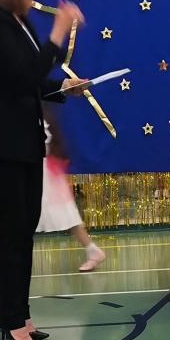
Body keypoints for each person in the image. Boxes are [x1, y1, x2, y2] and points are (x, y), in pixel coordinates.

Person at [0, 0, 89, 340]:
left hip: (23, 141)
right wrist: (58, 33)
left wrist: (63, 87)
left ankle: (21, 315)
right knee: (9, 234)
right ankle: (10, 321)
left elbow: (31, 82)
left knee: (24, 231)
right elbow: (23, 75)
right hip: (1, 143)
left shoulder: (18, 23)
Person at [36, 106, 106, 272]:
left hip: (45, 173)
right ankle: (92, 250)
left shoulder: (39, 115)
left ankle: (93, 250)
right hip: (42, 171)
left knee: (67, 215)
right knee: (66, 215)